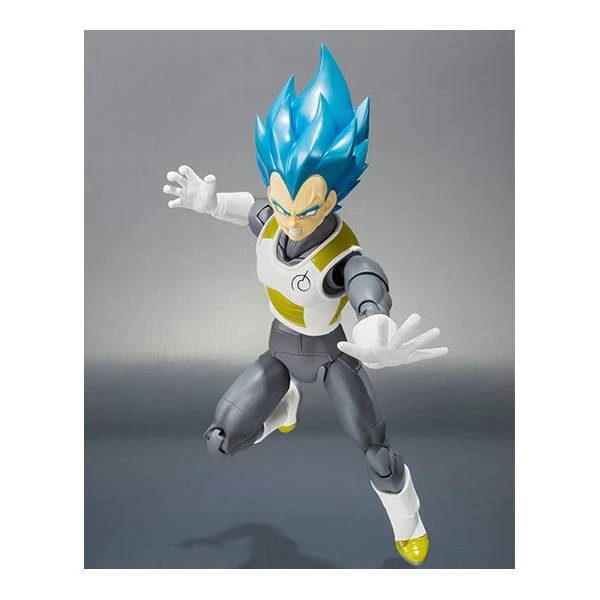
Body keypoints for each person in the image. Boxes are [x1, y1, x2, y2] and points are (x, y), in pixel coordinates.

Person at [163, 44, 448, 566]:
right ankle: (284, 407)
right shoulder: (274, 218)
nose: (291, 221)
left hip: (334, 356)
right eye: (283, 204)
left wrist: (374, 328)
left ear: (334, 198)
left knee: (379, 456)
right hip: (279, 350)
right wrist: (211, 204)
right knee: (221, 437)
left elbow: (366, 284)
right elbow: (251, 210)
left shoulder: (342, 255)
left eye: (307, 209)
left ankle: (409, 524)